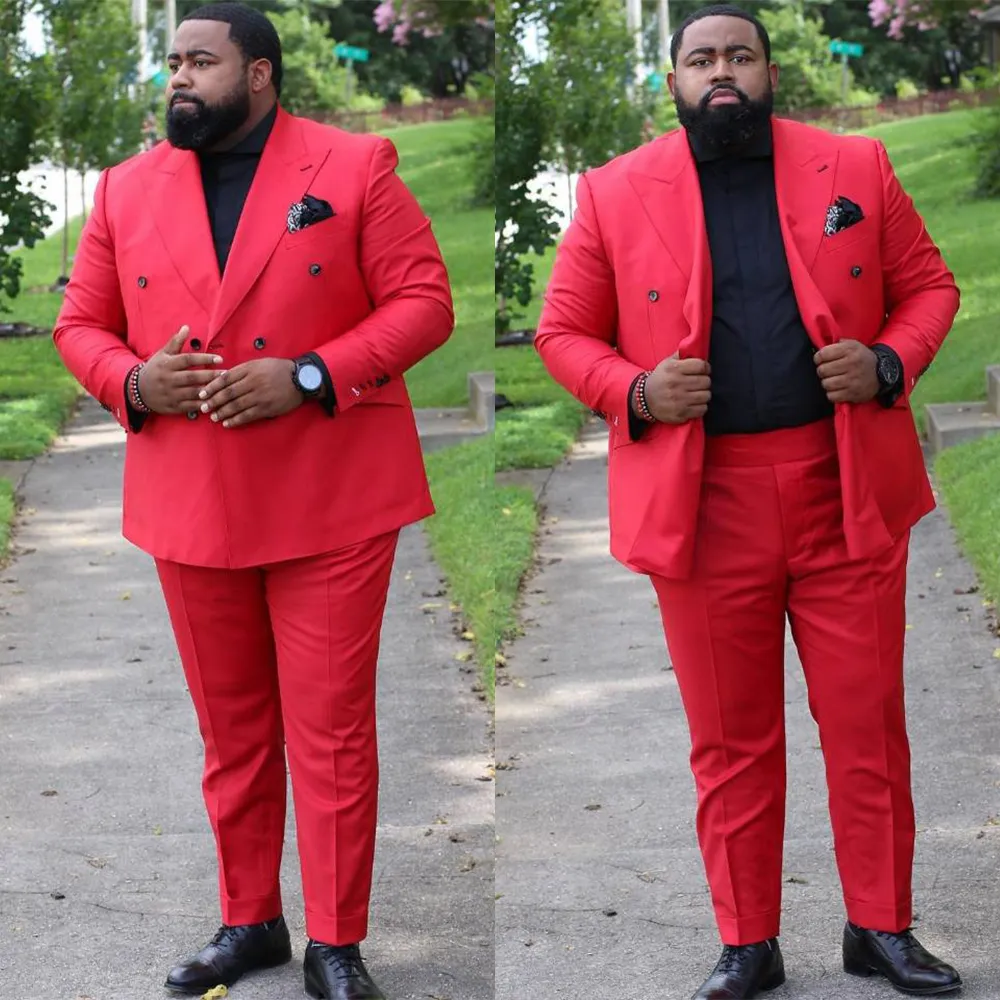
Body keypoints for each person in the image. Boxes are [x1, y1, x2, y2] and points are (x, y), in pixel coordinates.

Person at [534, 4, 962, 998]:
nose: (720, 70)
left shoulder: (852, 169)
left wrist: (889, 360)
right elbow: (562, 332)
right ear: (671, 81)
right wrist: (632, 391)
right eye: (700, 58)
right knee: (730, 737)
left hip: (840, 483)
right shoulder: (610, 192)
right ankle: (747, 942)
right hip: (702, 501)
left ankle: (881, 927)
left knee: (866, 722)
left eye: (738, 55)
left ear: (770, 71)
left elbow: (930, 287)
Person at [52, 4, 453, 998]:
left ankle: (336, 942)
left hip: (331, 495)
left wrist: (312, 374)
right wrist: (135, 382)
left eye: (201, 60)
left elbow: (424, 302)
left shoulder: (356, 167)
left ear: (261, 75)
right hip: (191, 497)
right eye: (173, 62)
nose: (178, 77)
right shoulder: (123, 187)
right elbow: (80, 326)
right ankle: (250, 922)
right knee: (230, 731)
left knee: (330, 727)